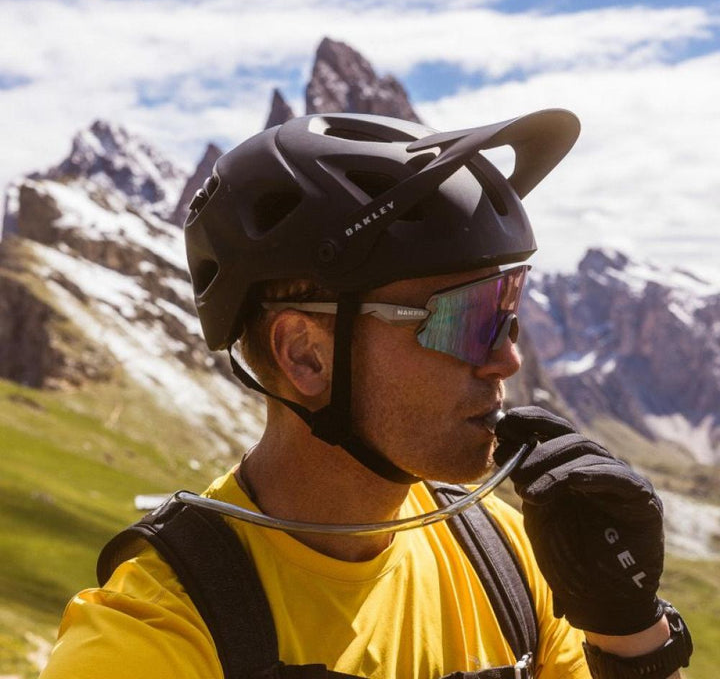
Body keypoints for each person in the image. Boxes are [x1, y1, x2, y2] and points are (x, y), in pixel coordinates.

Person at [39, 111, 692, 679]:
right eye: (466, 318)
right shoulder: (150, 636)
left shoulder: (514, 556)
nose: (508, 358)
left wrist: (627, 632)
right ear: (306, 355)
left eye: (508, 309)